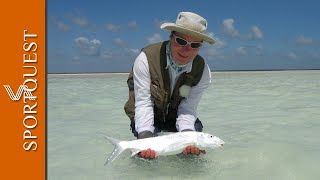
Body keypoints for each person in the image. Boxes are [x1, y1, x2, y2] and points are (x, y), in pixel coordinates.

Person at [124, 12, 215, 159]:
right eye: (181, 41)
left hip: (176, 115)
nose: (186, 49)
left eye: (195, 45)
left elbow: (187, 108)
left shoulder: (202, 71)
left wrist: (187, 137)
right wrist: (145, 137)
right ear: (171, 36)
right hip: (150, 114)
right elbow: (143, 103)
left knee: (192, 153)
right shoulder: (145, 59)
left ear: (200, 46)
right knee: (144, 157)